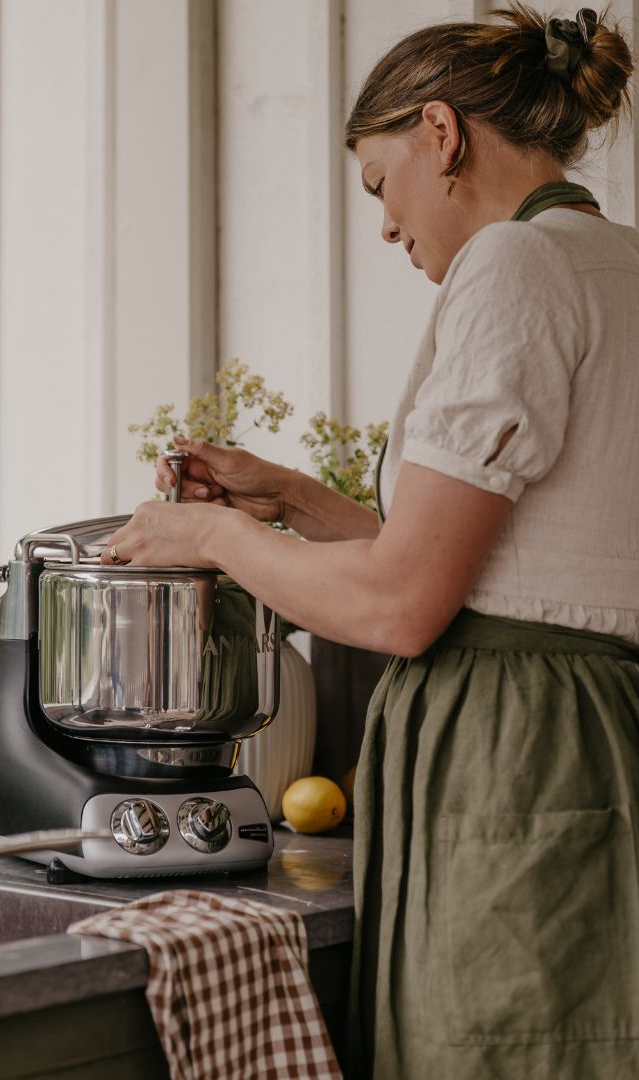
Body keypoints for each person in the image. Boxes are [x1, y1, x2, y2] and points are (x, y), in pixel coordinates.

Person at [100, 5, 639, 1078]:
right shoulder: (613, 263)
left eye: (379, 184)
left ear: (441, 132)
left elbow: (402, 606)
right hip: (598, 730)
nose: (387, 227)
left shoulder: (513, 266)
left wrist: (203, 530)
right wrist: (289, 497)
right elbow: (511, 567)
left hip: (515, 753)